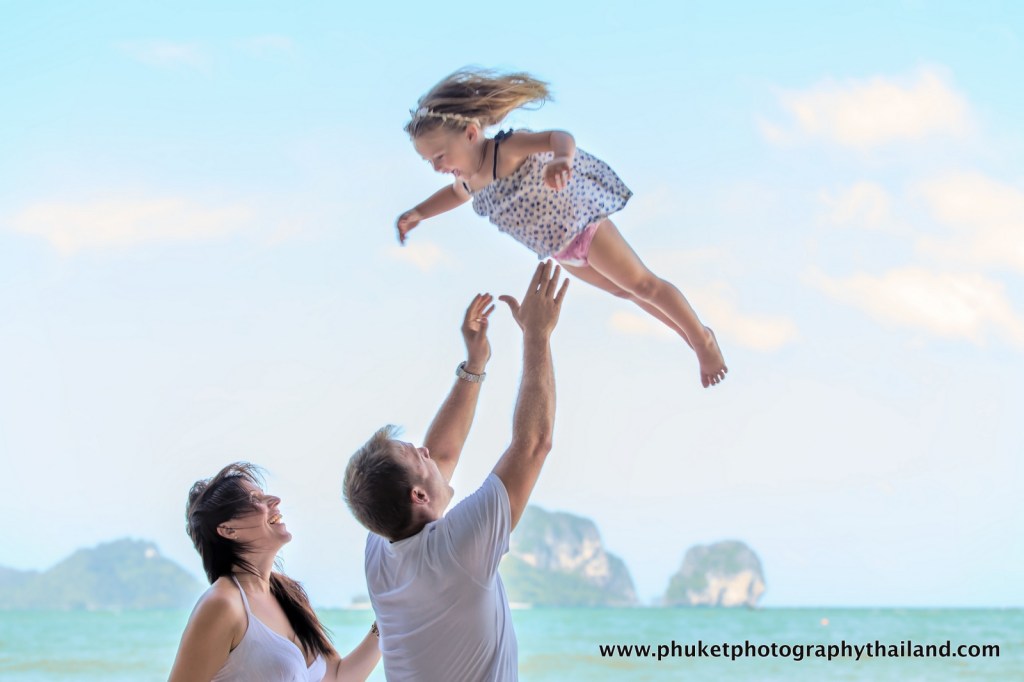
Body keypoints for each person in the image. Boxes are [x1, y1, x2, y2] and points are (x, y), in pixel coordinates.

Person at [396, 68, 727, 388]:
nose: (437, 167)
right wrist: (418, 213)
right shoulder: (469, 180)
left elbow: (559, 138)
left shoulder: (506, 150)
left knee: (644, 285)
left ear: (470, 134)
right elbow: (453, 196)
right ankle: (693, 336)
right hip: (562, 252)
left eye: (440, 156)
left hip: (585, 229)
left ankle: (702, 340)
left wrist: (562, 160)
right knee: (624, 291)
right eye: (430, 162)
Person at [344, 262, 568, 681]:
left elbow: (442, 453)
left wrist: (476, 362)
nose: (427, 451)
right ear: (418, 497)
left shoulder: (382, 548)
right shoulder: (456, 550)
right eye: (417, 456)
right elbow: (533, 445)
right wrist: (537, 335)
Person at [170, 462, 381, 682]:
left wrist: (387, 617)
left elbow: (338, 677)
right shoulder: (223, 603)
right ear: (228, 530)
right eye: (254, 498)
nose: (274, 500)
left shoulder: (289, 595)